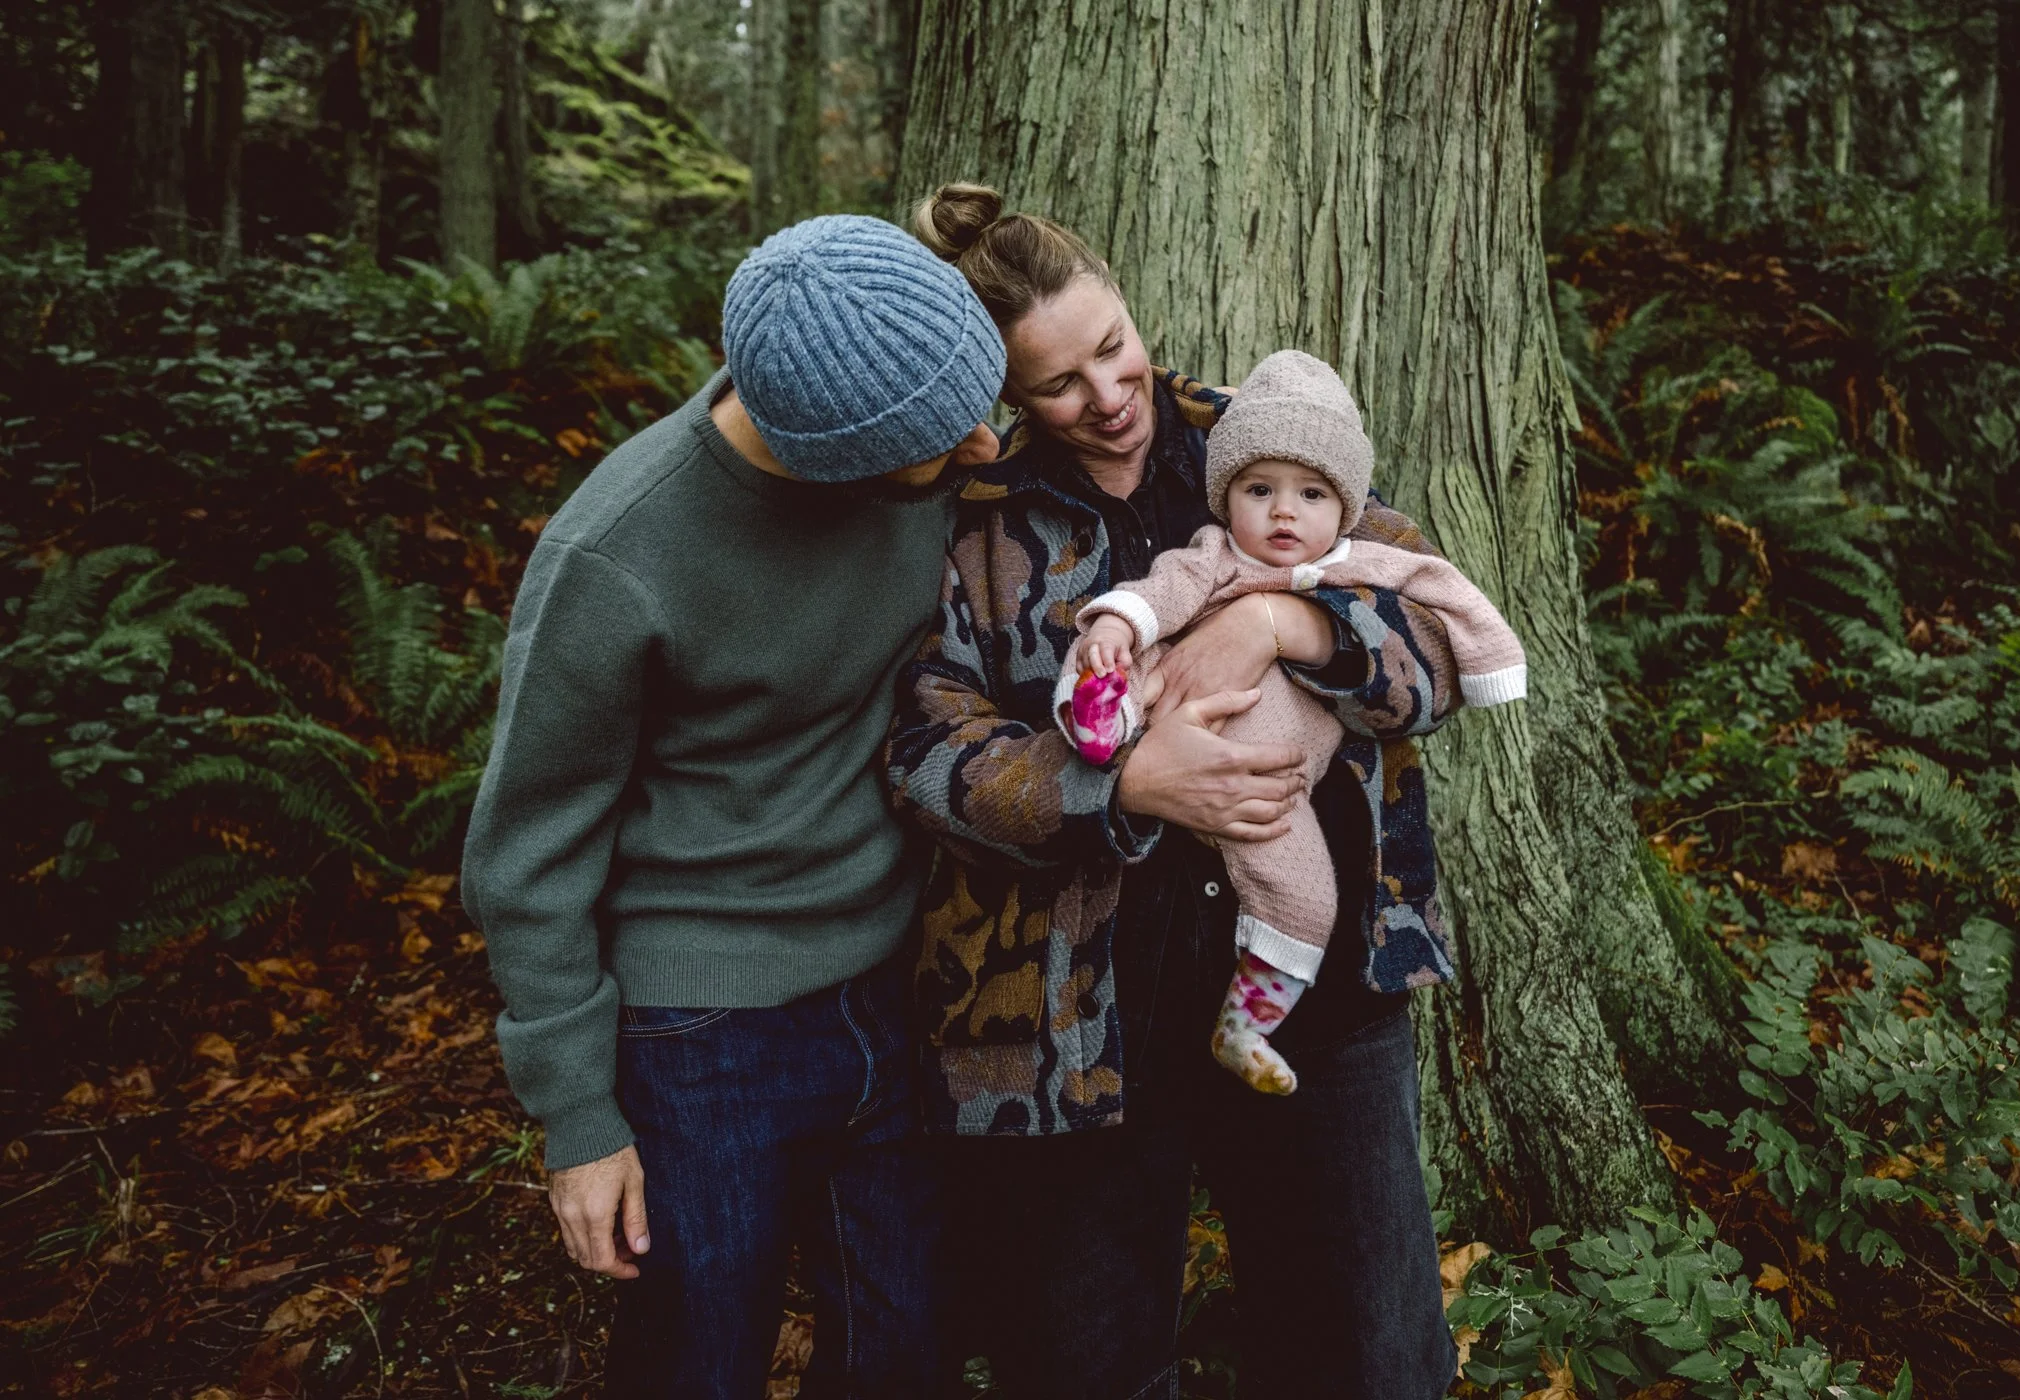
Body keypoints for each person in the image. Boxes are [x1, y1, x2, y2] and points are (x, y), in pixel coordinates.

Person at [889, 183, 1467, 1399]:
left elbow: (1439, 642)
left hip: (1321, 981)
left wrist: (1280, 622)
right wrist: (1123, 781)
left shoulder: (1263, 439)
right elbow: (924, 745)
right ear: (1006, 398)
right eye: (1055, 383)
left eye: (1112, 347)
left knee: (1367, 1352)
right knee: (1085, 1358)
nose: (1105, 396)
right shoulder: (978, 522)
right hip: (1078, 1010)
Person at [461, 213, 1006, 1399]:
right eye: (938, 435)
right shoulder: (619, 551)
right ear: (831, 454)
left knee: (905, 1347)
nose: (980, 439)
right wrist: (579, 1118)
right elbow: (527, 853)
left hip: (896, 985)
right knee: (695, 1360)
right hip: (696, 1029)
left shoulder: (914, 440)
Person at [1059, 349, 1526, 1096]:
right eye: (1259, 489)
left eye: (1310, 493)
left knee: (1307, 899)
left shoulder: (1358, 565)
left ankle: (1247, 1025)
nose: (1283, 511)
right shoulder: (1212, 555)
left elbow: (1440, 592)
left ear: (1344, 503)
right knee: (1116, 655)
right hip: (1162, 745)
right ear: (1226, 496)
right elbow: (1161, 593)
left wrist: (1493, 664)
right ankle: (1098, 718)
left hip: (1269, 798)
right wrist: (1120, 623)